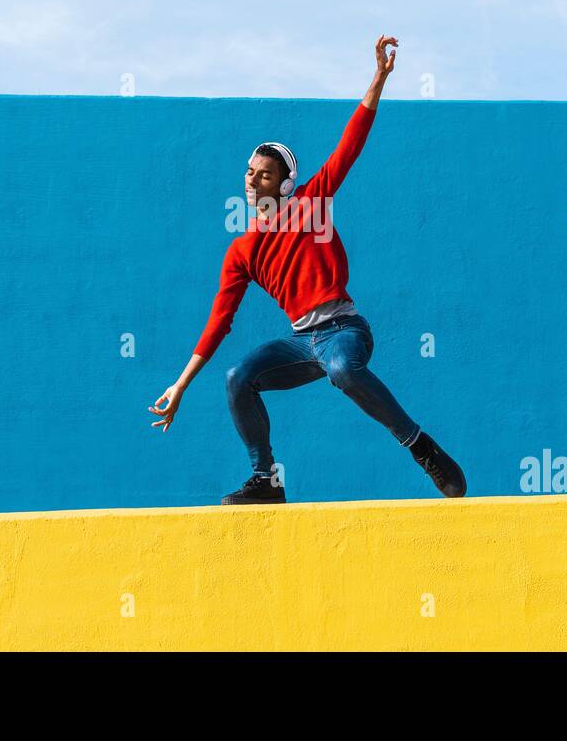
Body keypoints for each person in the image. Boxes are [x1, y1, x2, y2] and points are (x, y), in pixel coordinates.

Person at [148, 35, 466, 504]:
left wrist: (378, 78)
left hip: (343, 331)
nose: (254, 180)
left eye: (265, 174)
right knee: (238, 377)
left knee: (341, 367)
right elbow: (218, 322)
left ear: (286, 183)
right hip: (300, 342)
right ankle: (266, 480)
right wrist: (179, 385)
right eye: (250, 173)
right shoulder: (241, 252)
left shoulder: (311, 203)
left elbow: (349, 145)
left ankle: (420, 447)